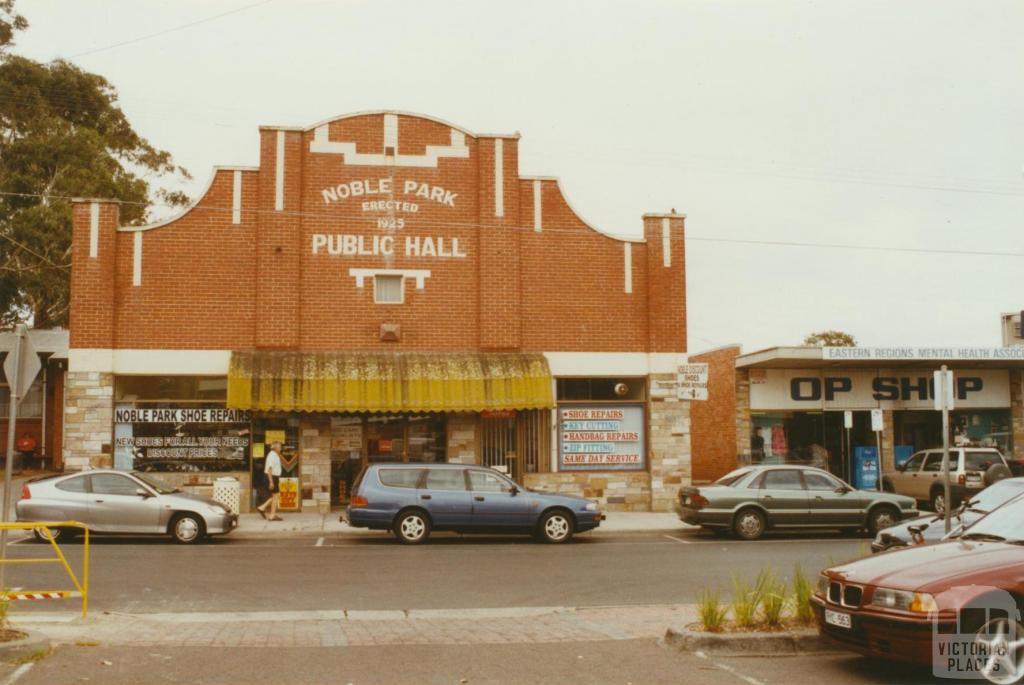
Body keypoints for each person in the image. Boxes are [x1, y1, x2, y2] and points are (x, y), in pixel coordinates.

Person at [257, 441, 283, 521]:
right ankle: (272, 515)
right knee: (276, 495)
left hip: (273, 477)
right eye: (279, 446)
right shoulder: (272, 455)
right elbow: (269, 468)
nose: (280, 448)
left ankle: (262, 507)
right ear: (275, 447)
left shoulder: (274, 455)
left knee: (276, 495)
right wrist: (271, 481)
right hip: (272, 477)